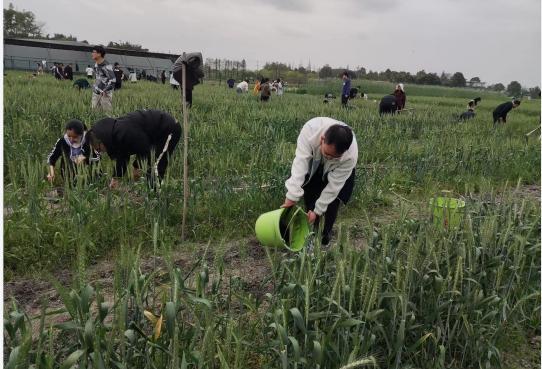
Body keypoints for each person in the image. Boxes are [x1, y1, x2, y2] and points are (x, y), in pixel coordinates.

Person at [282, 117, 358, 246]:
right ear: (322, 139)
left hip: (337, 172)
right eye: (327, 153)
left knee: (333, 202)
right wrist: (291, 197)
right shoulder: (310, 131)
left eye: (334, 157)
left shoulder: (349, 156)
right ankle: (308, 234)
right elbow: (300, 165)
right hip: (314, 161)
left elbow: (333, 187)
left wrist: (318, 210)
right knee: (310, 193)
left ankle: (323, 237)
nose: (329, 157)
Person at [87, 109, 181, 189]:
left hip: (168, 129)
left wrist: (137, 167)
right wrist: (116, 178)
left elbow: (144, 148)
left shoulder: (125, 132)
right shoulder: (115, 135)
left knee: (155, 167)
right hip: (154, 135)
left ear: (102, 140)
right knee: (150, 168)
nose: (102, 152)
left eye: (99, 149)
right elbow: (122, 156)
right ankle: (152, 193)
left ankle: (156, 198)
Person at [47, 119, 100, 185]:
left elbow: (98, 157)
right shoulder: (62, 141)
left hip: (90, 177)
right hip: (69, 178)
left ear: (82, 134)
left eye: (75, 137)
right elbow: (52, 157)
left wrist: (85, 158)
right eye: (69, 136)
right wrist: (51, 171)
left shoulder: (89, 141)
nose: (71, 140)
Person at [91, 45, 116, 111]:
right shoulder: (96, 64)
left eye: (94, 52)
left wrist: (105, 90)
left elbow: (113, 80)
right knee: (94, 114)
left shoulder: (106, 66)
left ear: (99, 54)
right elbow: (97, 77)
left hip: (104, 95)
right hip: (96, 92)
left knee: (107, 115)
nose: (92, 54)